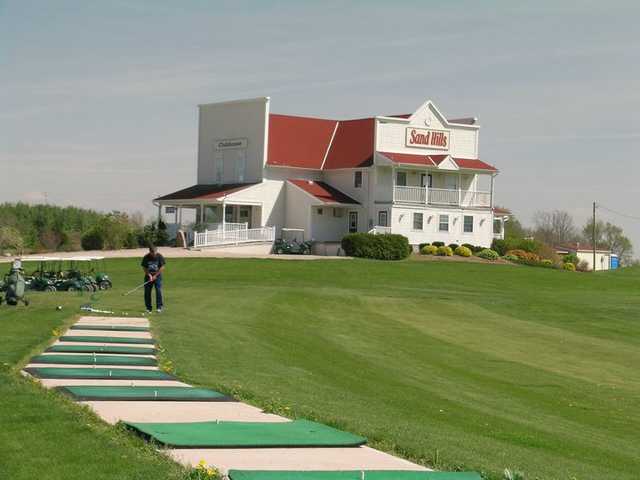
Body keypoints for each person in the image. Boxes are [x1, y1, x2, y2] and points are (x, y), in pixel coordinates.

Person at [141, 245, 166, 313]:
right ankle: (148, 308)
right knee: (147, 292)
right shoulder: (146, 257)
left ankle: (159, 307)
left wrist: (155, 275)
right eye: (153, 253)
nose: (155, 254)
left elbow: (162, 267)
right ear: (150, 252)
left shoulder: (159, 256)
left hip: (157, 277)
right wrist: (149, 275)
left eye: (155, 252)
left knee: (158, 291)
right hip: (148, 276)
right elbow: (144, 267)